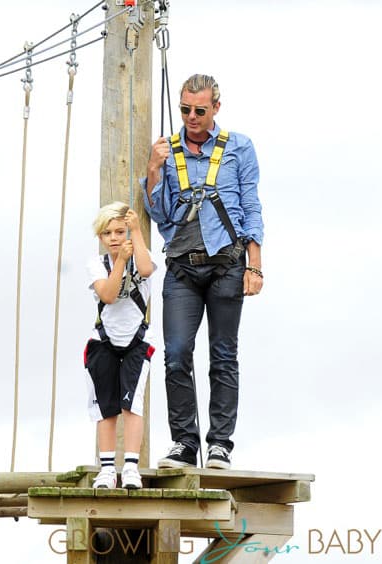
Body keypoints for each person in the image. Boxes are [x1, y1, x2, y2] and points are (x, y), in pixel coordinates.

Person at [141, 74, 264, 470]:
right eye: (185, 110)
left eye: (199, 110)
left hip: (227, 263)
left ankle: (220, 445)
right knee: (176, 354)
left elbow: (251, 206)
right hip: (182, 267)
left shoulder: (238, 148)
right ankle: (183, 442)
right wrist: (154, 171)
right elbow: (158, 213)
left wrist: (255, 265)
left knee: (223, 355)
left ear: (215, 108)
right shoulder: (167, 150)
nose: (191, 117)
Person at [84, 202, 156, 488]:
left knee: (132, 405)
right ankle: (105, 468)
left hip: (136, 340)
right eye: (107, 233)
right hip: (104, 340)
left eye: (119, 231)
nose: (114, 238)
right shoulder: (97, 266)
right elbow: (110, 294)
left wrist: (136, 231)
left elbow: (147, 269)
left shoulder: (141, 257)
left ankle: (130, 467)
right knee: (105, 407)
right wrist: (121, 263)